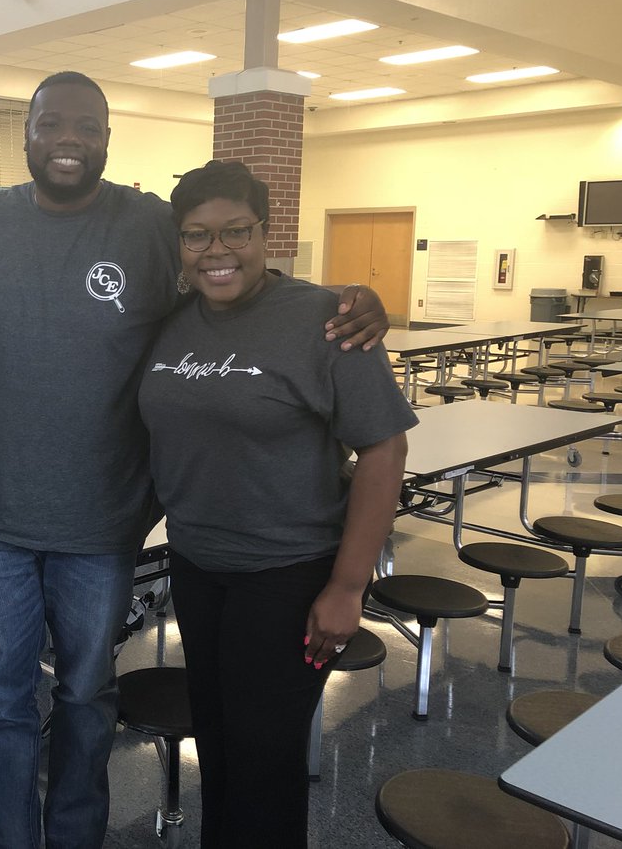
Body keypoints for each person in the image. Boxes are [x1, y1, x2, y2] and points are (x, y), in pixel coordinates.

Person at [0, 70, 391, 848]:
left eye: (88, 126)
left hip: (105, 522)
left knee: (85, 696)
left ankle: (75, 838)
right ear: (27, 133)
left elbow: (234, 290)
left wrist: (343, 297)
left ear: (109, 137)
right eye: (52, 124)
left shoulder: (145, 223)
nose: (69, 139)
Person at [137, 160, 417, 847]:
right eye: (198, 236)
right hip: (199, 567)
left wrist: (349, 587)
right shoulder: (172, 323)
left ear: (267, 233)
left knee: (265, 760)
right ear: (179, 244)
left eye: (237, 231)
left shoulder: (328, 321)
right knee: (222, 743)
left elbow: (383, 453)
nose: (218, 250)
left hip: (289, 575)